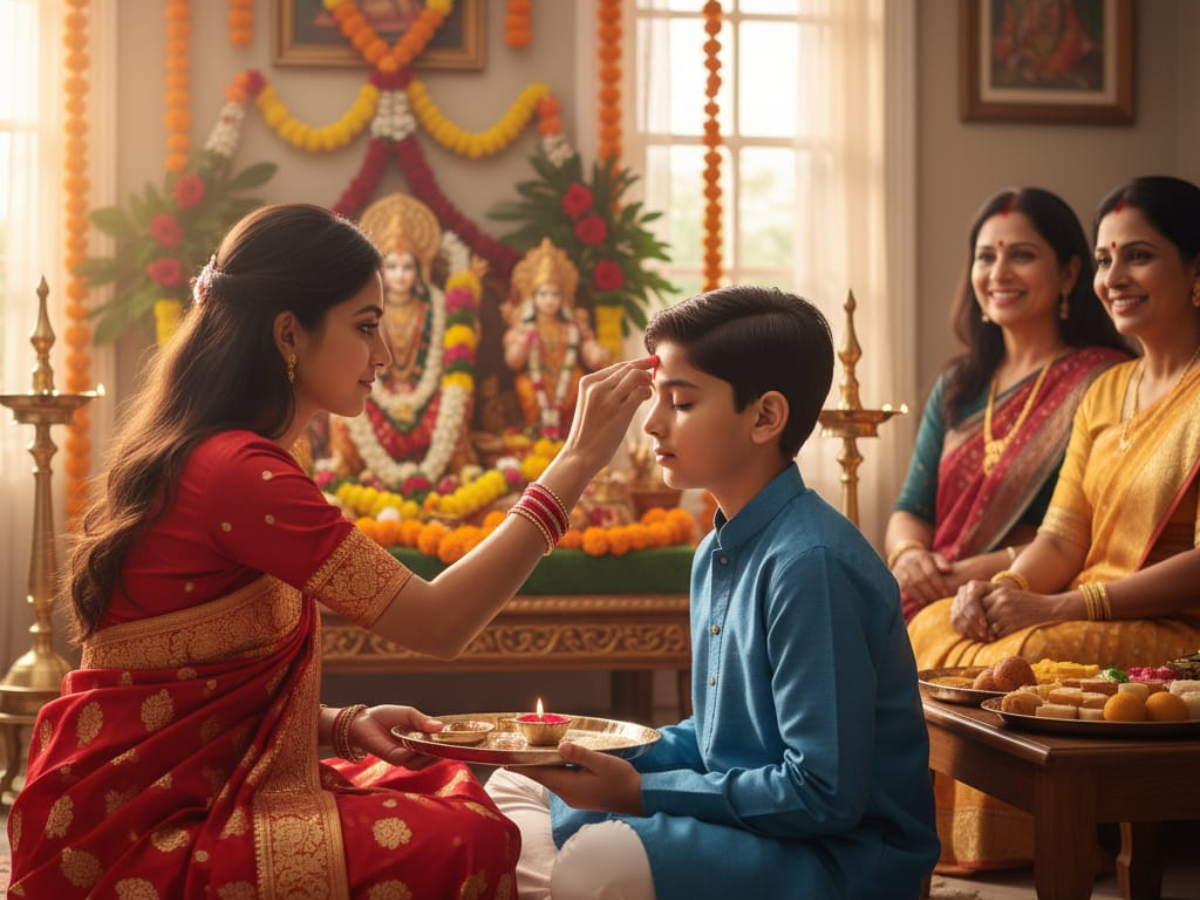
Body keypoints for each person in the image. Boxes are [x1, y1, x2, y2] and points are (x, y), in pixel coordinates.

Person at [6, 203, 654, 899]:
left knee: (447, 789)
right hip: (143, 828)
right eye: (366, 327)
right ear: (289, 334)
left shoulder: (222, 455)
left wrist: (342, 727)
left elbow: (193, 692)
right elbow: (438, 625)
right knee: (466, 837)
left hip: (159, 794)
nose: (387, 356)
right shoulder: (237, 473)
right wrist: (577, 462)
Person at [486, 285, 940, 900]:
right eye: (658, 400)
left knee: (597, 862)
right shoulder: (716, 551)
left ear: (765, 416)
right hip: (759, 825)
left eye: (681, 401)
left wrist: (637, 792)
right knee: (518, 782)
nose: (652, 423)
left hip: (838, 857)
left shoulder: (813, 564)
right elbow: (716, 740)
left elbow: (823, 794)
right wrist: (589, 750)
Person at [909, 175, 1200, 871]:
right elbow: (1064, 537)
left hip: (1171, 621)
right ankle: (947, 844)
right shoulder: (1109, 390)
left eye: (1138, 256)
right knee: (936, 624)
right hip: (1077, 605)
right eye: (1105, 259)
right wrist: (1000, 589)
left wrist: (1060, 602)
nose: (1114, 277)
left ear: (1196, 273)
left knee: (1031, 651)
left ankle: (1048, 845)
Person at [886, 187, 1129, 623]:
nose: (998, 272)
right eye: (985, 257)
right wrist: (908, 557)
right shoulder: (958, 385)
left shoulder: (1108, 381)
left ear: (1070, 273)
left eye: (1021, 255)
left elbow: (1097, 531)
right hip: (934, 594)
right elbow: (912, 507)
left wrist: (976, 572)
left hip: (1032, 597)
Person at [327, 192, 478, 488]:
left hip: (427, 392)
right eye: (392, 267)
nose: (399, 276)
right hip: (375, 391)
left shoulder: (435, 304)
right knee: (340, 407)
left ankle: (455, 468)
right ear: (380, 270)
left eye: (407, 267)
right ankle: (346, 469)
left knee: (458, 399)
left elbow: (453, 357)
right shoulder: (364, 306)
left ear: (420, 269)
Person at [503, 237, 611, 440]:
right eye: (543, 294)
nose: (549, 300)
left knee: (578, 382)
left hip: (566, 378)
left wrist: (598, 352)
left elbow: (591, 355)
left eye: (555, 294)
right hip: (535, 380)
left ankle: (569, 439)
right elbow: (512, 361)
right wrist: (522, 342)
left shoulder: (573, 326)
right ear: (532, 298)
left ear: (563, 298)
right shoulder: (523, 327)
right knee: (526, 389)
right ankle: (533, 434)